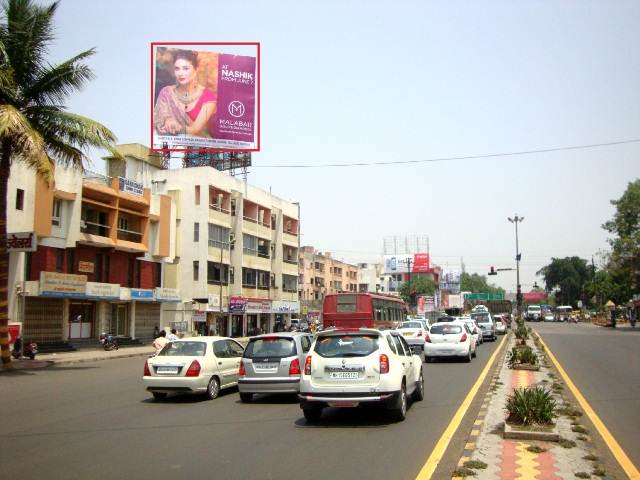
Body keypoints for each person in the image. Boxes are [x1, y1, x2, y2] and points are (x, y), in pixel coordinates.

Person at [153, 50, 217, 138]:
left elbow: (195, 130)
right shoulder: (166, 92)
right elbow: (156, 121)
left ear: (196, 70)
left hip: (197, 145)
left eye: (185, 68)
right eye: (177, 69)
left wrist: (177, 126)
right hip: (169, 142)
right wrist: (167, 120)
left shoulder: (208, 97)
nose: (180, 73)